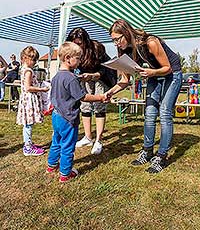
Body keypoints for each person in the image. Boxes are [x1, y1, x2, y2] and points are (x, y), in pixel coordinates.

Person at [106, 19, 182, 173]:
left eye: (117, 39)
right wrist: (109, 92)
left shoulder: (150, 42)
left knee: (165, 113)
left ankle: (162, 156)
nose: (115, 43)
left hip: (172, 74)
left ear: (126, 33)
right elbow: (125, 80)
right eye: (112, 40)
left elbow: (167, 67)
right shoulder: (124, 51)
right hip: (154, 75)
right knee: (149, 113)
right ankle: (147, 151)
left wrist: (152, 72)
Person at [46, 42, 106, 183]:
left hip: (56, 115)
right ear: (68, 58)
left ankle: (51, 165)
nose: (80, 61)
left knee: (56, 142)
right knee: (68, 145)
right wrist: (100, 97)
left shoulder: (56, 77)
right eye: (78, 58)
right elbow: (83, 97)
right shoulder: (71, 78)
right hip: (68, 118)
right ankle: (65, 174)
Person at [66, 27, 116, 155]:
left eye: (79, 43)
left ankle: (98, 140)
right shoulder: (73, 51)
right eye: (74, 43)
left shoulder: (96, 48)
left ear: (85, 41)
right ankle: (88, 137)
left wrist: (94, 75)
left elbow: (106, 68)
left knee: (99, 106)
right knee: (85, 105)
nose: (77, 46)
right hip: (86, 78)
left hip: (103, 77)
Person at [17, 46, 50, 156]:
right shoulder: (28, 71)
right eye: (33, 59)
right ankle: (27, 148)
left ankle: (29, 143)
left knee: (28, 124)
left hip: (27, 99)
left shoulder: (24, 69)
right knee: (28, 124)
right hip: (29, 99)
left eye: (36, 59)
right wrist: (42, 89)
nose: (35, 62)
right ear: (25, 58)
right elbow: (28, 87)